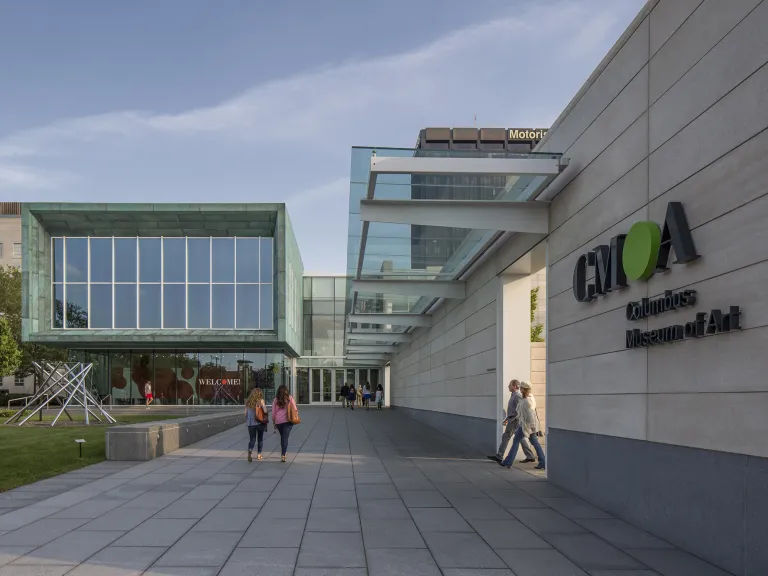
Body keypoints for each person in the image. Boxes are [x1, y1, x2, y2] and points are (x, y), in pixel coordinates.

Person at [500, 381, 546, 470]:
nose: (519, 389)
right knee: (534, 442)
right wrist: (510, 419)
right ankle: (543, 462)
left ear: (524, 389)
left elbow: (530, 415)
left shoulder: (527, 400)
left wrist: (532, 428)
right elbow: (521, 413)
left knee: (517, 440)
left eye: (521, 387)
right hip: (526, 425)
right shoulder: (527, 398)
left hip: (527, 426)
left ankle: (508, 462)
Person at [488, 379, 535, 464]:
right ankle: (530, 456)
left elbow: (520, 409)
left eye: (510, 385)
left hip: (514, 421)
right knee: (520, 438)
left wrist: (515, 419)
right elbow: (513, 409)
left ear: (515, 386)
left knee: (507, 436)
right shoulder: (513, 395)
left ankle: (500, 456)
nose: (508, 386)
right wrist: (507, 418)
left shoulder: (517, 396)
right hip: (512, 419)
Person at [272, 384, 298, 462]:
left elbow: (273, 412)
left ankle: (284, 452)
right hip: (288, 420)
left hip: (278, 421)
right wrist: (296, 416)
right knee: (285, 437)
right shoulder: (290, 398)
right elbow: (295, 409)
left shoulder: (276, 400)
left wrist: (274, 421)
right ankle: (283, 454)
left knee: (283, 437)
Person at [245, 387, 267, 462]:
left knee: (252, 439)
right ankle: (259, 454)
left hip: (250, 423)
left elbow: (245, 413)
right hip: (259, 422)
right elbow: (265, 411)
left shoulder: (247, 402)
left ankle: (250, 450)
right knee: (260, 439)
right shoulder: (261, 401)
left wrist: (248, 419)